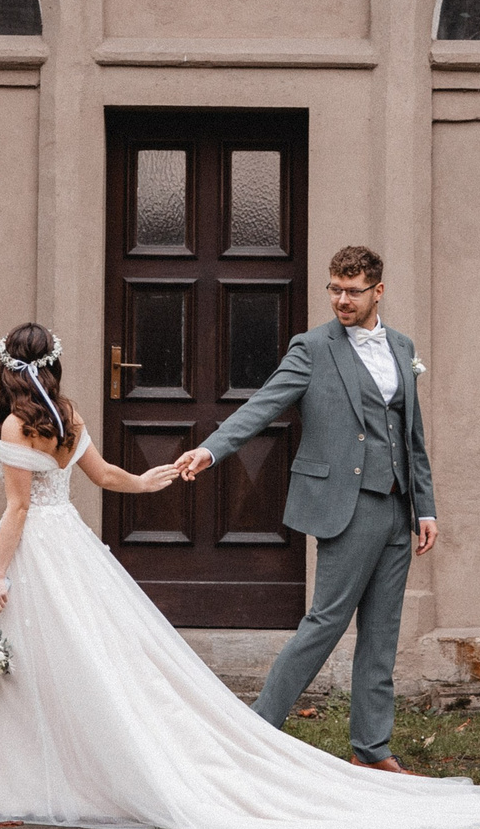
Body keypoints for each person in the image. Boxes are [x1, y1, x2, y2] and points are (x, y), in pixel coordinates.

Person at [0, 322, 480, 829]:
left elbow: (19, 511)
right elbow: (105, 475)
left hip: (34, 554)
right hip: (71, 547)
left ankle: (28, 773)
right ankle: (64, 765)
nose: (342, 299)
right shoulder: (67, 416)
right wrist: (155, 479)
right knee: (81, 660)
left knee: (45, 661)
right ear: (52, 364)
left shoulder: (16, 430)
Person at [175, 245, 429, 770]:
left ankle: (371, 749)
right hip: (346, 504)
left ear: (377, 291)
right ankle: (254, 731)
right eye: (335, 288)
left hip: (397, 507)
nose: (341, 299)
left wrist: (425, 508)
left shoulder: (402, 347)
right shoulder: (312, 348)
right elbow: (263, 404)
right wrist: (211, 449)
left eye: (353, 291)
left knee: (382, 632)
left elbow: (412, 433)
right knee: (326, 622)